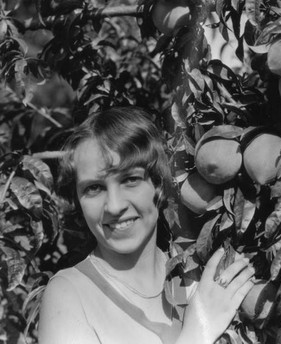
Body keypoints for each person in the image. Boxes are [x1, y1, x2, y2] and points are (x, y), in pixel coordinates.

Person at [38, 107, 255, 344]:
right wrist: (198, 333)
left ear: (159, 185)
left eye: (130, 180)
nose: (114, 206)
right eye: (94, 188)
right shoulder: (69, 295)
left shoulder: (196, 277)